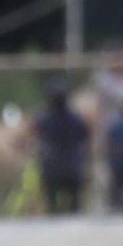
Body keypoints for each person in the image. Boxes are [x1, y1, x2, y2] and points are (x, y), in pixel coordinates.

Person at [34, 83, 89, 214]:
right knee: (74, 207)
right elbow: (85, 138)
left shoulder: (44, 119)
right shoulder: (76, 119)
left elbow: (36, 136)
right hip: (71, 166)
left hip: (53, 167)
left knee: (53, 208)